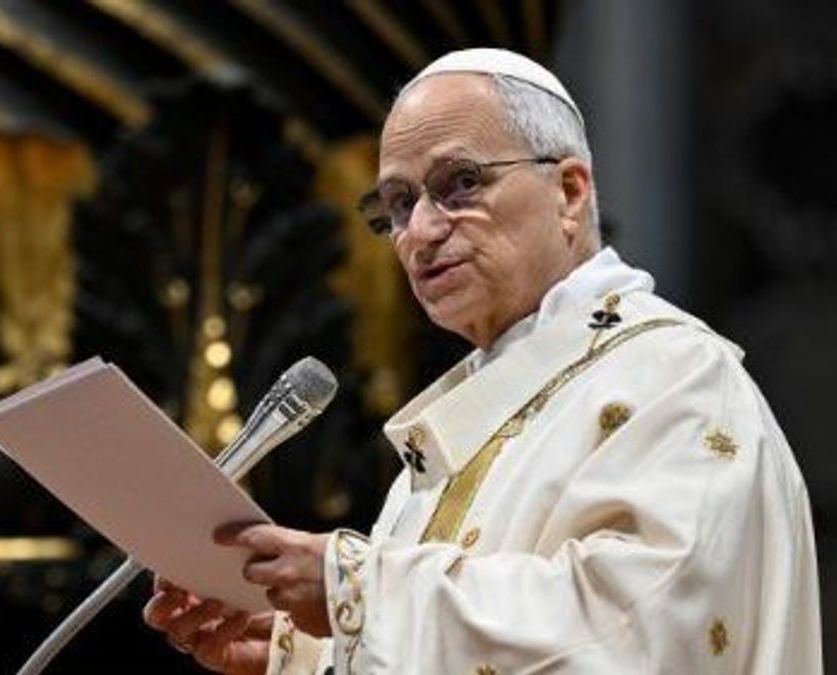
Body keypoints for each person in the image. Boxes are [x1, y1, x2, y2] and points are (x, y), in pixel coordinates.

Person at [143, 48, 822, 674]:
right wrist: (307, 651)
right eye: (398, 205)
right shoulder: (457, 430)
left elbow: (646, 630)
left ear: (571, 192)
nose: (421, 232)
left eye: (460, 183)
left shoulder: (676, 377)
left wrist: (357, 591)